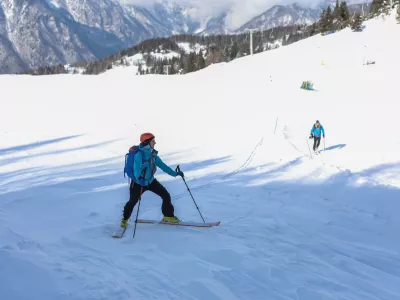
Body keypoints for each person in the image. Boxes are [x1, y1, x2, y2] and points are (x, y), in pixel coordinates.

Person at [120, 133, 184, 228]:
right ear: (147, 142)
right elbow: (136, 169)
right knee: (132, 201)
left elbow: (163, 166)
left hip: (150, 181)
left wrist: (175, 173)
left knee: (166, 196)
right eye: (153, 141)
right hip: (138, 183)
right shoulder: (139, 155)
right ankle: (125, 219)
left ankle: (168, 216)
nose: (155, 142)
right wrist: (139, 178)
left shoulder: (153, 154)